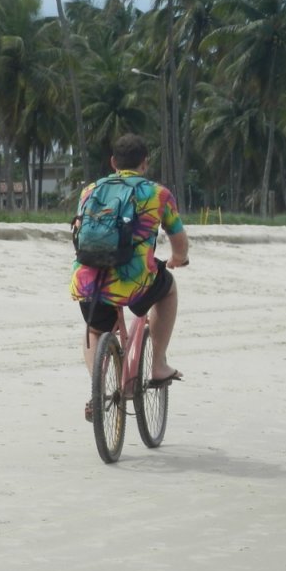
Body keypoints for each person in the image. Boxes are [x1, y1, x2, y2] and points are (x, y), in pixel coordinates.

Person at [70, 134, 189, 423]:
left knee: (94, 330)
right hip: (135, 282)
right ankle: (158, 364)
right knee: (169, 289)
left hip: (89, 280)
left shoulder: (90, 190)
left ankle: (98, 386)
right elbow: (178, 237)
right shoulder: (158, 194)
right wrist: (178, 258)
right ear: (145, 164)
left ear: (113, 162)